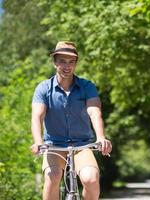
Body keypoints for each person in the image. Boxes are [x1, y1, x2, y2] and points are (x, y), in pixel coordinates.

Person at [30, 41, 112, 200]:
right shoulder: (43, 88)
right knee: (52, 176)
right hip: (54, 145)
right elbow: (37, 116)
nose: (67, 66)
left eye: (71, 62)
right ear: (55, 62)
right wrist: (38, 141)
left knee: (91, 178)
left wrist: (101, 137)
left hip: (82, 145)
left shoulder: (87, 86)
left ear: (76, 64)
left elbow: (94, 113)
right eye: (62, 61)